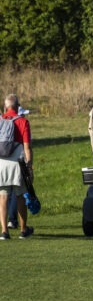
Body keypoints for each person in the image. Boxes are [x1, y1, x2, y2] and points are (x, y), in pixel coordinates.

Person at [1, 94, 33, 240]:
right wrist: (30, 166)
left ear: (5, 106)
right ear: (18, 107)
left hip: (1, 162)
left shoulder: (0, 121)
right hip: (17, 162)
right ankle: (23, 229)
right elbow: (27, 147)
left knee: (3, 197)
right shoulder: (23, 122)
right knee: (20, 196)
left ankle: (4, 231)